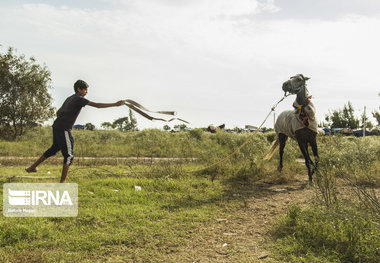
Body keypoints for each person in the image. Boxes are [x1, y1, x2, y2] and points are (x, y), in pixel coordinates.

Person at [26, 80, 125, 183]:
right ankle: (63, 181)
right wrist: (115, 104)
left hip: (56, 126)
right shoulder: (79, 99)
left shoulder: (70, 98)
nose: (87, 92)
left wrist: (64, 119)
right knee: (69, 155)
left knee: (54, 149)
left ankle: (32, 167)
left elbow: (58, 112)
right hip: (63, 129)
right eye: (85, 89)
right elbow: (97, 105)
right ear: (79, 89)